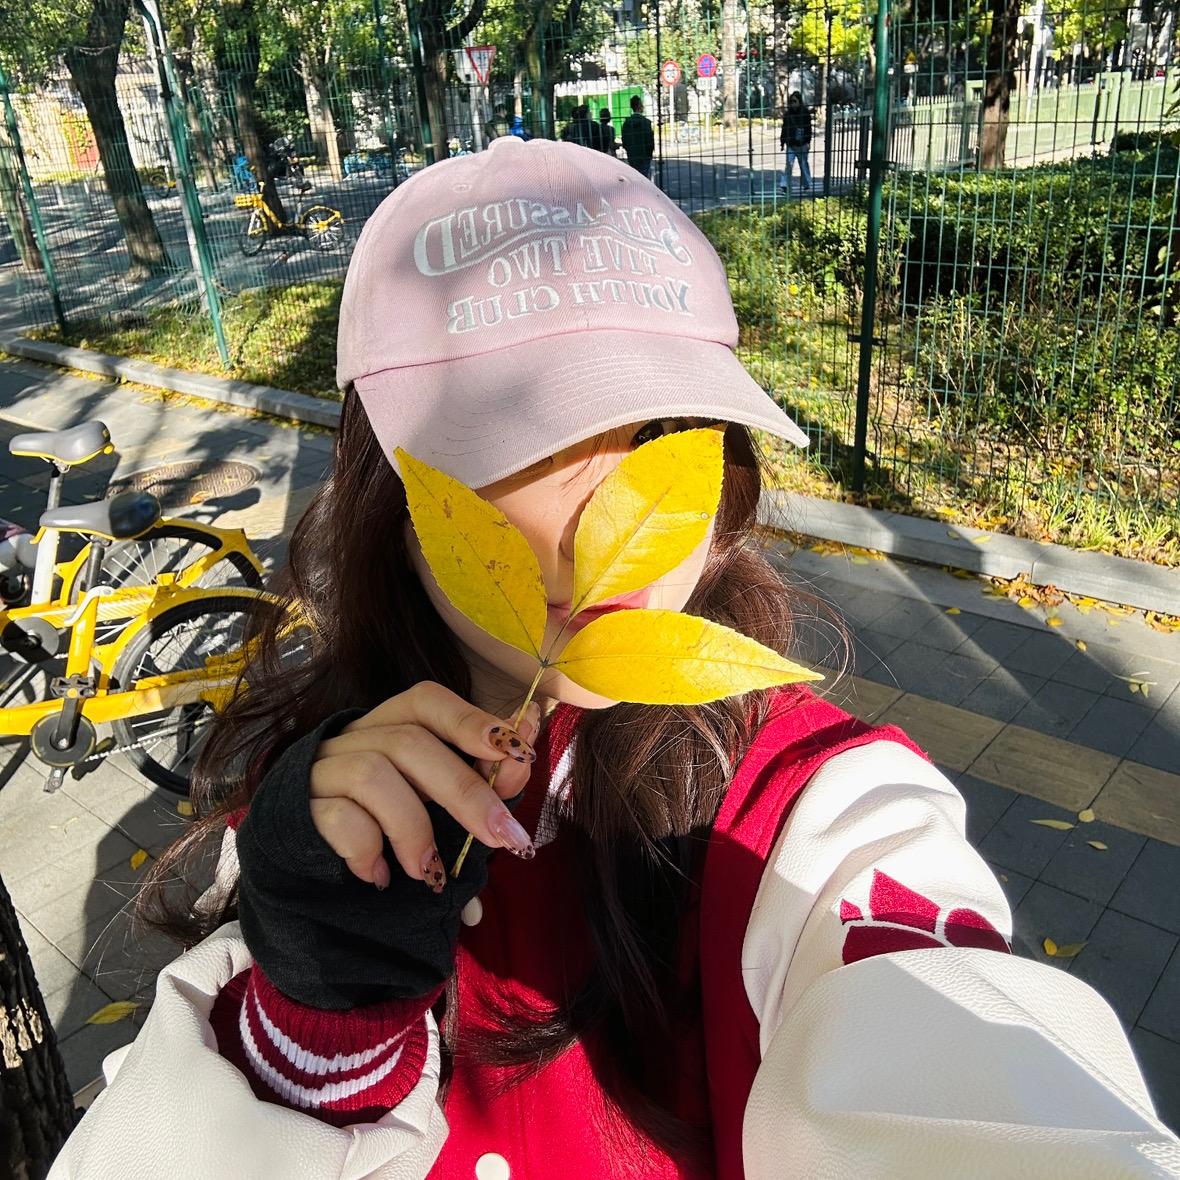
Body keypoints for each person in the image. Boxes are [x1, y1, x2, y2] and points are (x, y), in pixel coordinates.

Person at [51, 137, 1180, 1179]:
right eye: (524, 434)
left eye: (662, 433)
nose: (614, 511)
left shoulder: (804, 816)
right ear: (383, 484)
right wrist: (310, 1025)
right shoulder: (320, 804)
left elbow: (967, 1073)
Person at [780, 90, 812, 192]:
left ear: (799, 101)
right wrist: (782, 142)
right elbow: (784, 128)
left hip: (802, 143)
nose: (793, 104)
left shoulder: (805, 113)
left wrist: (808, 141)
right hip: (791, 143)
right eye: (791, 101)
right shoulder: (788, 114)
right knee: (789, 164)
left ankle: (807, 184)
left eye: (795, 101)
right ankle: (784, 184)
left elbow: (808, 128)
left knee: (803, 164)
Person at [621, 93, 655, 178]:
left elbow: (624, 140)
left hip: (632, 156)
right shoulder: (646, 122)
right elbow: (650, 141)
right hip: (644, 156)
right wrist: (649, 154)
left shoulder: (627, 123)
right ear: (640, 106)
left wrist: (629, 150)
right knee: (644, 179)